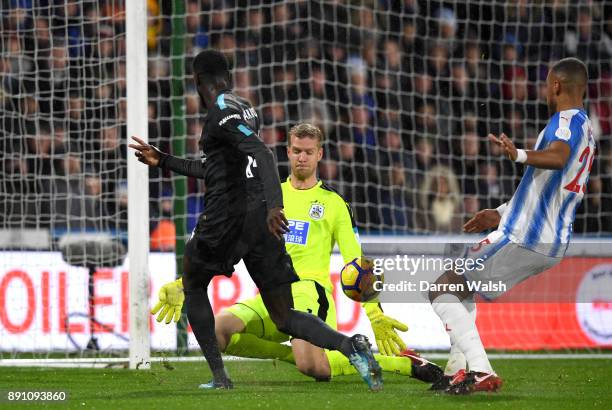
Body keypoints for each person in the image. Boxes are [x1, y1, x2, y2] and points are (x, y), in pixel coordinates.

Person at [129, 49, 382, 391]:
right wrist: (164, 161)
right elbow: (215, 168)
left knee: (193, 283)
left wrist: (276, 206)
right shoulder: (244, 109)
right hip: (258, 224)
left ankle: (220, 377)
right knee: (284, 315)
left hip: (227, 218)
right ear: (229, 77)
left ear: (195, 81)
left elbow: (262, 153)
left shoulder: (219, 112)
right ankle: (349, 345)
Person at [152, 123, 443, 384]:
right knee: (218, 332)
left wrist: (374, 315)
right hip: (272, 294)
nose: (301, 157)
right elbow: (232, 245)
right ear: (287, 152)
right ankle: (296, 352)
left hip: (310, 293)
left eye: (308, 151)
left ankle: (403, 364)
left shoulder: (333, 203)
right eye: (296, 150)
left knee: (312, 366)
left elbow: (358, 265)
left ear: (319, 154)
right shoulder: (269, 196)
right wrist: (185, 282)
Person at [429, 57, 596, 394]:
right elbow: (549, 184)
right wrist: (502, 211)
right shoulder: (588, 130)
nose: (544, 90)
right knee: (460, 285)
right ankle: (457, 369)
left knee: (442, 286)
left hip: (526, 236)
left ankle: (479, 369)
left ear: (557, 86)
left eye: (547, 83)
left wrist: (518, 154)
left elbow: (558, 158)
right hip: (545, 238)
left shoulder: (565, 122)